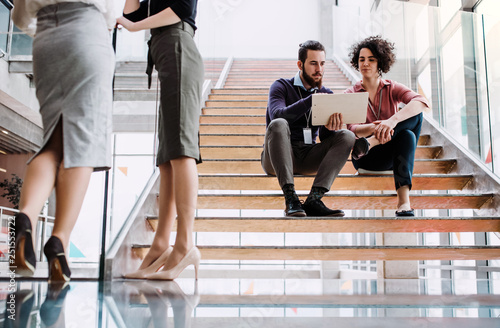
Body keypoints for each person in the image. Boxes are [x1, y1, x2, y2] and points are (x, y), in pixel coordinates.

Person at [10, 0, 115, 282]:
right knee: (82, 143)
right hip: (87, 32)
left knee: (52, 143)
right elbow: (114, 10)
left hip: (46, 41)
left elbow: (19, 15)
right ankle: (59, 240)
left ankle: (27, 218)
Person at [117, 0, 203, 280]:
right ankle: (160, 244)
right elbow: (133, 12)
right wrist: (134, 22)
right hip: (166, 53)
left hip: (177, 46)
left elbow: (180, 9)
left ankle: (185, 244)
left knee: (180, 150)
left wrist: (134, 26)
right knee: (167, 158)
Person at [262, 40, 356, 217]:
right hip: (277, 158)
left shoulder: (325, 94)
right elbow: (277, 116)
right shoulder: (281, 86)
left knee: (347, 135)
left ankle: (314, 199)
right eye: (313, 63)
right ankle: (290, 198)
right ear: (300, 64)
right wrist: (310, 100)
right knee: (279, 124)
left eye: (322, 63)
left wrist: (330, 127)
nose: (319, 69)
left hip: (307, 155)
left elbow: (325, 137)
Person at [345, 36, 430, 216]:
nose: (365, 63)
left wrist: (391, 121)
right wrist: (372, 128)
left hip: (390, 154)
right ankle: (371, 142)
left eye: (371, 59)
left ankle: (403, 203)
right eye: (362, 59)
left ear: (380, 63)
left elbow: (421, 101)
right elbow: (351, 129)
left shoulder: (392, 87)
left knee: (411, 126)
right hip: (363, 155)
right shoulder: (351, 93)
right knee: (407, 133)